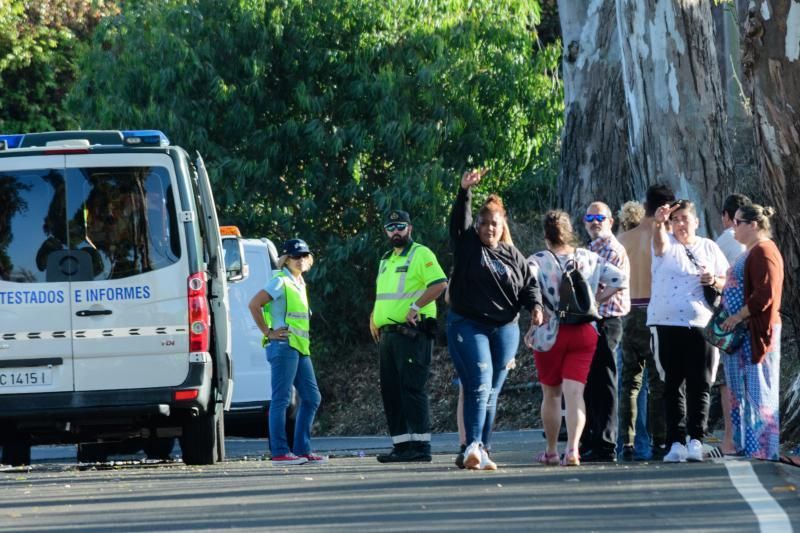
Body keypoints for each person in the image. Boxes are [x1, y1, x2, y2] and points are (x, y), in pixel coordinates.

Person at [448, 169, 543, 471]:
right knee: (479, 382)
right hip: (468, 324)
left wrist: (536, 307)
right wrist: (465, 191)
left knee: (492, 392)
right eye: (484, 223)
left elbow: (529, 284)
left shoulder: (512, 254)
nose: (489, 228)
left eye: (495, 224)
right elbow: (459, 220)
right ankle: (472, 445)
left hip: (505, 328)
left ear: (503, 226)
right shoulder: (467, 246)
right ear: (477, 226)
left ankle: (483, 447)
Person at [527, 210, 627, 467]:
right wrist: (594, 301)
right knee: (576, 395)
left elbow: (523, 287)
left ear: (546, 234)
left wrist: (538, 312)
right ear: (570, 230)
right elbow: (620, 278)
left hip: (550, 332)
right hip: (584, 331)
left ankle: (551, 451)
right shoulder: (589, 258)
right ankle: (573, 450)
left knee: (551, 394)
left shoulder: (537, 260)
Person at [650, 200, 728, 462]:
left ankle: (696, 438)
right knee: (672, 384)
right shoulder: (664, 244)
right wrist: (659, 223)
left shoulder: (709, 247)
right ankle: (675, 441)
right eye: (676, 220)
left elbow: (728, 279)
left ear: (696, 222)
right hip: (667, 322)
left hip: (700, 324)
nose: (681, 224)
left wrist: (714, 280)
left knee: (700, 383)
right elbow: (659, 244)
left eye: (685, 219)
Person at [370, 210, 448, 463]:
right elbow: (385, 294)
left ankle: (420, 447)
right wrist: (374, 316)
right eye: (391, 227)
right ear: (385, 231)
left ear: (409, 228)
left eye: (400, 227)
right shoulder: (385, 259)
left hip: (412, 334)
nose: (396, 232)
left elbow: (439, 284)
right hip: (388, 335)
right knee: (391, 392)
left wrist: (415, 307)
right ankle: (402, 446)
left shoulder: (420, 253)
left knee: (411, 389)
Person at [248, 238, 325, 466]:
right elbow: (254, 304)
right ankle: (280, 452)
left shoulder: (299, 282)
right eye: (295, 256)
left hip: (299, 348)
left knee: (312, 398)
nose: (300, 260)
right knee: (281, 400)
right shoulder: (280, 281)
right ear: (286, 259)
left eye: (303, 256)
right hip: (283, 347)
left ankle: (301, 449)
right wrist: (268, 332)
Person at [720, 204, 783, 460]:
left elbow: (765, 294)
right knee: (743, 390)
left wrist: (738, 316)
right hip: (741, 334)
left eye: (738, 222)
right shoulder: (751, 251)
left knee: (758, 389)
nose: (733, 227)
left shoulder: (764, 250)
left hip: (753, 332)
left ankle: (762, 448)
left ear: (753, 224)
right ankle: (746, 445)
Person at [617, 185, 673, 461]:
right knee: (657, 380)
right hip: (654, 312)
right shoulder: (664, 237)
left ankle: (626, 443)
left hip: (628, 312)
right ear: (665, 208)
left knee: (629, 382)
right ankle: (659, 441)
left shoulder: (623, 239)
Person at [580, 202, 630, 462]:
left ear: (611, 221)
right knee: (591, 383)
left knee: (606, 382)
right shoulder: (589, 248)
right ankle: (591, 439)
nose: (594, 221)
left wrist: (593, 301)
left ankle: (606, 443)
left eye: (600, 217)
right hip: (591, 321)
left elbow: (618, 282)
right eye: (590, 217)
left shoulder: (612, 248)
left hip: (608, 320)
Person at [715, 193, 752, 455]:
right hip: (749, 317)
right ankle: (747, 437)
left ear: (728, 217)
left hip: (730, 319)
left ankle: (731, 438)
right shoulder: (755, 244)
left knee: (727, 380)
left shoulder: (727, 238)